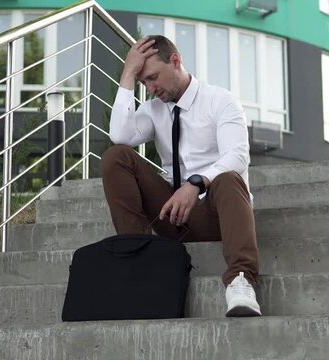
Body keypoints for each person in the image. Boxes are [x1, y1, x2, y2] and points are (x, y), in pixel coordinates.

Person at [101, 35, 261, 317]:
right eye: (144, 83)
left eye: (153, 77)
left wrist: (195, 184)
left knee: (228, 178)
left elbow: (237, 157)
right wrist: (128, 74)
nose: (151, 89)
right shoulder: (152, 110)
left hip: (217, 214)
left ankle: (241, 281)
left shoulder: (220, 100)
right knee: (116, 157)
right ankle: (139, 263)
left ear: (175, 61)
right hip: (173, 216)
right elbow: (120, 135)